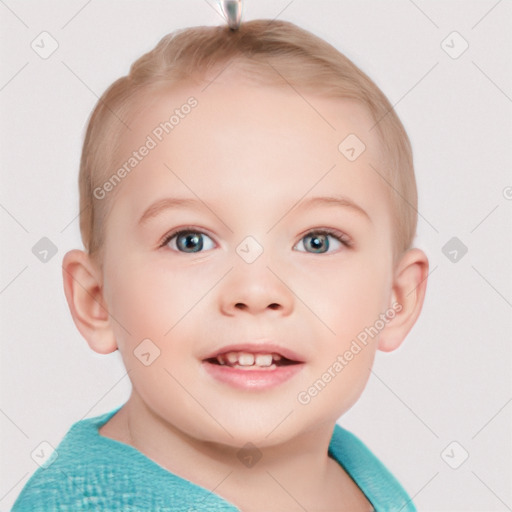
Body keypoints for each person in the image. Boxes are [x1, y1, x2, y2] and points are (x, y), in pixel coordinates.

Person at [12, 17, 428, 512]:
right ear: (96, 300)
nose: (255, 290)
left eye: (318, 241)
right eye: (190, 241)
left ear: (396, 300)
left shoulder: (356, 471)